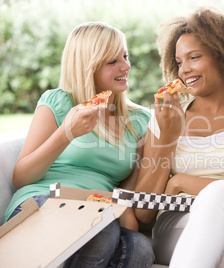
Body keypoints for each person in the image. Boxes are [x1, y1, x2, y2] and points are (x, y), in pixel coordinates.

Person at [133, 7, 224, 268]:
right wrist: (167, 137)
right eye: (179, 62)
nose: (184, 70)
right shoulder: (165, 117)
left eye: (194, 57)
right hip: (179, 223)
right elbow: (144, 212)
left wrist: (180, 181)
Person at [3, 22, 154, 267]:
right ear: (88, 66)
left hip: (102, 209)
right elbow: (21, 177)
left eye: (125, 56)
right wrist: (66, 134)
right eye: (112, 61)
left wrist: (124, 210)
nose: (126, 66)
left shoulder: (139, 120)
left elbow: (128, 188)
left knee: (140, 247)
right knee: (99, 227)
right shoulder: (59, 102)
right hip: (44, 200)